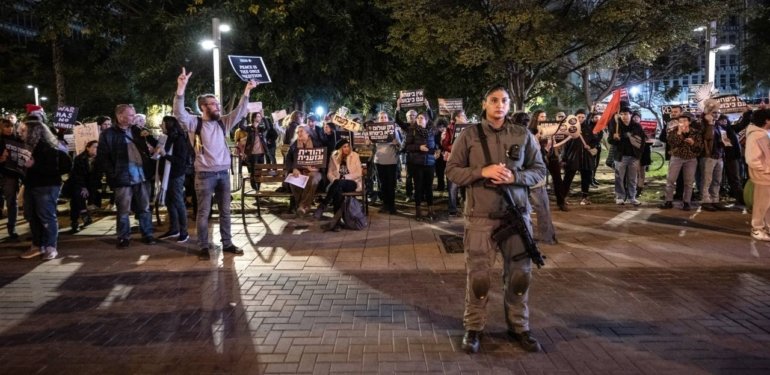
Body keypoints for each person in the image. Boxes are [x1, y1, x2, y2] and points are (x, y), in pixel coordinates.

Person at [446, 85, 547, 354]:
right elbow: (452, 170)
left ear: (509, 104)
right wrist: (482, 171)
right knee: (479, 278)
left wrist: (516, 177)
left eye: (504, 100)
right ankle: (474, 328)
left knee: (520, 276)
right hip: (480, 217)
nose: (499, 105)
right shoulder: (469, 135)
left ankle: (519, 327)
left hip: (516, 216)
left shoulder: (522, 134)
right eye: (493, 100)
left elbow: (539, 170)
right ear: (484, 104)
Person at [173, 67, 256, 259]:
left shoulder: (222, 122)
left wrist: (247, 91)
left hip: (223, 174)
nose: (218, 107)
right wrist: (181, 88)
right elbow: (178, 113)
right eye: (213, 104)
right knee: (203, 213)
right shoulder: (194, 123)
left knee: (225, 212)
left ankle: (227, 243)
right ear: (203, 107)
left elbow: (239, 112)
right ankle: (203, 246)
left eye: (217, 104)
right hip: (204, 174)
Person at [96, 104, 158, 248]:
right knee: (123, 209)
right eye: (130, 115)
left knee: (144, 207)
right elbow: (103, 157)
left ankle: (147, 234)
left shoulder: (138, 130)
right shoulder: (108, 134)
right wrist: (113, 173)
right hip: (122, 177)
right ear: (120, 116)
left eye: (134, 114)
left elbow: (153, 144)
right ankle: (124, 237)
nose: (133, 117)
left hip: (142, 175)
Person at [17, 116, 65, 260]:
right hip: (32, 185)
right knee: (32, 216)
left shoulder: (49, 148)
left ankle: (50, 247)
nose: (20, 133)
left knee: (46, 216)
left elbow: (53, 170)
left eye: (24, 130)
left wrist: (33, 165)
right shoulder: (28, 147)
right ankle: (37, 245)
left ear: (34, 132)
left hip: (46, 187)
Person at [156, 116, 192, 243]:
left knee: (178, 201)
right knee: (169, 202)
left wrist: (165, 155)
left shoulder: (179, 139)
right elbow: (159, 147)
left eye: (163, 123)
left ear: (168, 125)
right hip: (167, 175)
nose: (161, 125)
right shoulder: (167, 138)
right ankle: (174, 228)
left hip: (175, 175)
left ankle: (184, 231)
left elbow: (180, 160)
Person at [524, 110, 558, 244]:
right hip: (532, 177)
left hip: (526, 177)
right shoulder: (530, 136)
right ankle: (546, 237)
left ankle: (538, 236)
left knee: (533, 208)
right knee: (541, 207)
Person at [659, 112, 702, 211]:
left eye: (685, 121)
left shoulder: (695, 132)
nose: (682, 123)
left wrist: (693, 143)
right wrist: (679, 132)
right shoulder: (673, 131)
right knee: (671, 180)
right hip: (677, 157)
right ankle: (668, 201)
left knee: (689, 182)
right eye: (680, 121)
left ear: (689, 122)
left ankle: (686, 202)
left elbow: (700, 147)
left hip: (691, 158)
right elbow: (672, 143)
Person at [316, 139, 362, 229]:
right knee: (337, 191)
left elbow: (359, 173)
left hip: (352, 182)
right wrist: (334, 180)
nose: (347, 148)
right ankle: (336, 223)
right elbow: (329, 173)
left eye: (348, 146)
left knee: (338, 185)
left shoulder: (355, 155)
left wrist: (344, 177)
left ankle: (324, 204)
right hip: (337, 183)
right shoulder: (334, 157)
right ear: (340, 149)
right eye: (344, 147)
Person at [608, 107, 645, 206]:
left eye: (626, 114)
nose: (624, 116)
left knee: (632, 178)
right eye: (622, 114)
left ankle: (632, 197)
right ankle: (620, 197)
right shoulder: (616, 126)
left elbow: (642, 141)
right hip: (621, 156)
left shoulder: (637, 126)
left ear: (630, 115)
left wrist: (639, 154)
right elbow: (610, 140)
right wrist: (614, 138)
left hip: (634, 156)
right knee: (619, 178)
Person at [404, 111, 437, 220]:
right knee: (418, 187)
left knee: (429, 187)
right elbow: (407, 146)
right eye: (418, 118)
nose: (419, 120)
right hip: (417, 163)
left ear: (426, 120)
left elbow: (435, 145)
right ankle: (418, 211)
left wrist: (436, 151)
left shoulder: (432, 131)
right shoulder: (412, 130)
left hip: (430, 163)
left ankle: (431, 210)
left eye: (421, 118)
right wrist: (419, 147)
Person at [284, 125, 323, 216]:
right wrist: (294, 168)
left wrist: (316, 167)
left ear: (308, 133)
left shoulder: (317, 144)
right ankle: (303, 207)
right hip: (299, 171)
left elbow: (322, 158)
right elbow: (288, 160)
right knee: (293, 181)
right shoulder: (294, 145)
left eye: (301, 131)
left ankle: (301, 206)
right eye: (297, 132)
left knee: (313, 179)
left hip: (314, 171)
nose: (299, 133)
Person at [562, 113, 599, 206]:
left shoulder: (589, 129)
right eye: (579, 117)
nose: (581, 119)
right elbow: (565, 145)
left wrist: (590, 146)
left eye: (583, 117)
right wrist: (564, 158)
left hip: (586, 157)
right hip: (572, 157)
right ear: (575, 117)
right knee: (568, 178)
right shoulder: (569, 128)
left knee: (586, 178)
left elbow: (595, 141)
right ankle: (563, 197)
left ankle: (584, 198)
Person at [745, 109, 770, 241]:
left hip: (765, 174)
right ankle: (757, 229)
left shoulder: (762, 133)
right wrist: (766, 169)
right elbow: (752, 159)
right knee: (761, 204)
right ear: (767, 120)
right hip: (763, 175)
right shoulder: (756, 136)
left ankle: (766, 227)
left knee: (767, 204)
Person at [372, 111, 402, 215]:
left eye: (385, 117)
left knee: (391, 184)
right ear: (378, 119)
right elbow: (370, 146)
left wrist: (396, 143)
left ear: (388, 119)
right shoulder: (374, 130)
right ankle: (385, 204)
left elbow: (400, 146)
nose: (383, 119)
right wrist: (367, 143)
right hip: (379, 161)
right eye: (381, 117)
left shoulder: (393, 130)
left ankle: (392, 205)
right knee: (382, 184)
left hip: (391, 161)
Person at [68, 140, 100, 234]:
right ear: (88, 148)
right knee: (77, 196)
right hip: (78, 184)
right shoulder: (80, 158)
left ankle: (83, 214)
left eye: (98, 147)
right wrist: (83, 187)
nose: (96, 149)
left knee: (80, 197)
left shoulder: (99, 159)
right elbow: (77, 175)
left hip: (92, 185)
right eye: (94, 147)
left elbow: (98, 175)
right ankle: (76, 220)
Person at [442, 110, 468, 216]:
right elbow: (445, 144)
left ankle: (466, 208)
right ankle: (452, 209)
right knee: (452, 186)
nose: (465, 117)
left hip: (466, 161)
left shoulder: (469, 128)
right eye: (463, 115)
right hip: (453, 160)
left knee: (465, 185)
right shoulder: (449, 129)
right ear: (456, 117)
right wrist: (455, 148)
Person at [0, 118, 22, 239]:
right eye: (6, 126)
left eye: (11, 126)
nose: (9, 129)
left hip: (11, 175)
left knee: (12, 202)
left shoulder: (17, 140)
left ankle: (11, 228)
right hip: (2, 174)